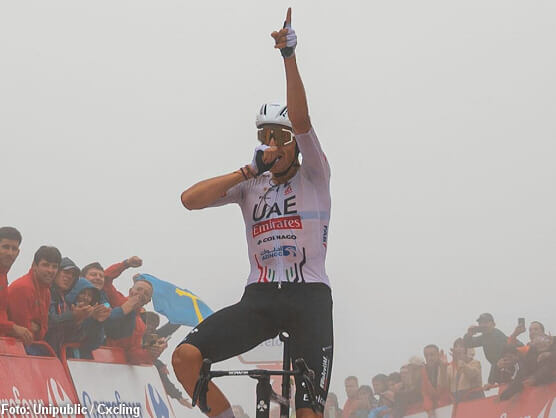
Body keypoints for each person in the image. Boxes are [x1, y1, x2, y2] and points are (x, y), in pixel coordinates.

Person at [172, 9, 333, 418]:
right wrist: (247, 170)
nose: (272, 145)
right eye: (264, 138)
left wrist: (289, 57)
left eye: (280, 138)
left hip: (308, 299)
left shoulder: (314, 174)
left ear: (295, 144)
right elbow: (190, 200)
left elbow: (301, 118)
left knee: (308, 410)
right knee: (185, 359)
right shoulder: (251, 182)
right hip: (259, 299)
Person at [8, 245, 61, 353]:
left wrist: (38, 327)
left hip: (32, 345)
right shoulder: (23, 287)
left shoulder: (46, 291)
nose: (50, 270)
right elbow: (24, 330)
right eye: (45, 265)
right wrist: (37, 327)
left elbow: (44, 329)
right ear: (34, 266)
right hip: (14, 347)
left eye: (54, 266)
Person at [104, 274, 165, 364]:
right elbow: (106, 279)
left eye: (146, 293)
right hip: (96, 357)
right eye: (139, 289)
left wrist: (151, 353)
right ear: (130, 291)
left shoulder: (141, 326)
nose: (141, 294)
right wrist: (126, 264)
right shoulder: (118, 301)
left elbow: (132, 355)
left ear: (148, 300)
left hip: (115, 366)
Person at [0, 226, 33, 344]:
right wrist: (13, 328)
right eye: (5, 247)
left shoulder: (3, 276)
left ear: (18, 252)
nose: (10, 253)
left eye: (14, 249)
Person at [463, 313, 510, 385]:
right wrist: (469, 334)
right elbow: (468, 344)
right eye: (480, 323)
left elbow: (497, 360)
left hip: (511, 367)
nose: (483, 325)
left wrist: (490, 382)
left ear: (493, 324)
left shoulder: (497, 336)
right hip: (501, 369)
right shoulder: (485, 337)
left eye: (485, 322)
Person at [445, 338, 483, 402]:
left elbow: (472, 375)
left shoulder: (475, 363)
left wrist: (462, 362)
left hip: (474, 398)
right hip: (457, 401)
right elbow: (445, 386)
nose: (458, 349)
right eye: (456, 346)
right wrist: (442, 367)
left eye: (461, 346)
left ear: (466, 349)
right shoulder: (449, 368)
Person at [421, 345, 451, 418]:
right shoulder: (423, 372)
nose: (429, 358)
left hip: (451, 407)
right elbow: (425, 394)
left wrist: (443, 367)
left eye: (432, 355)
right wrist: (430, 410)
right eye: (426, 356)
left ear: (438, 355)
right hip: (436, 411)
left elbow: (448, 386)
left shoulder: (448, 367)